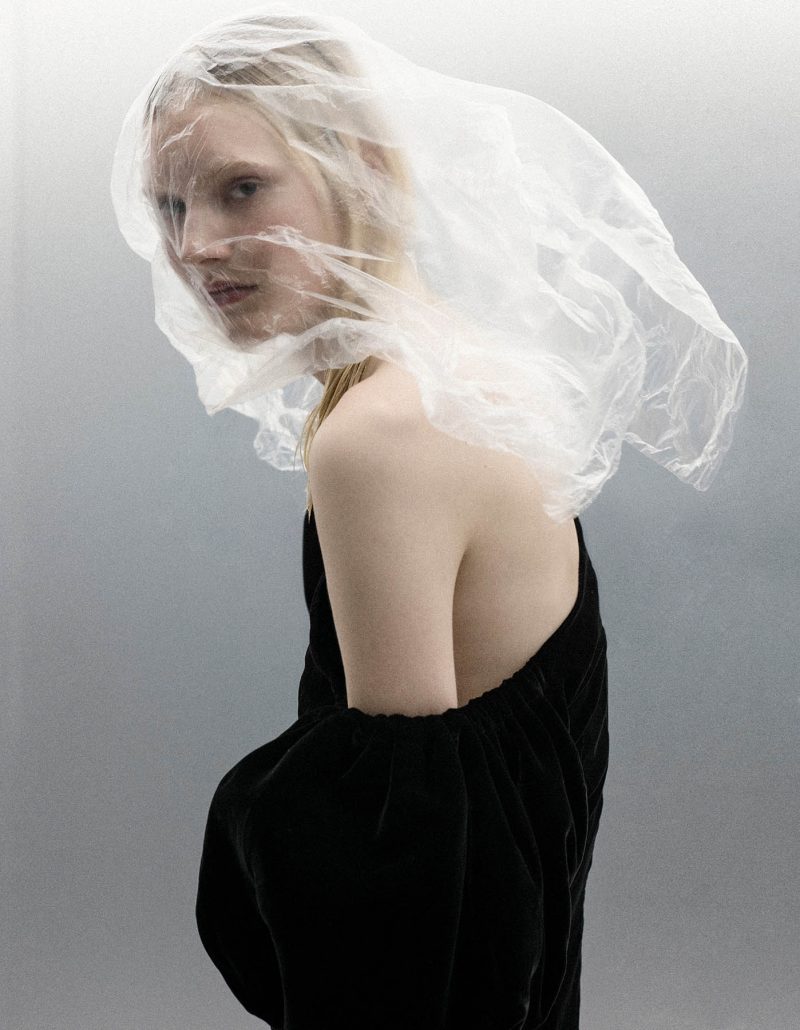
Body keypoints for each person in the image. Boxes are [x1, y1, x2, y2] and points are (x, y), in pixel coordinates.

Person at [111, 7, 747, 1028]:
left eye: (240, 188)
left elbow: (403, 862)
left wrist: (242, 811)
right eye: (170, 204)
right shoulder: (460, 374)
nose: (195, 244)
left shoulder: (377, 436)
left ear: (362, 169)